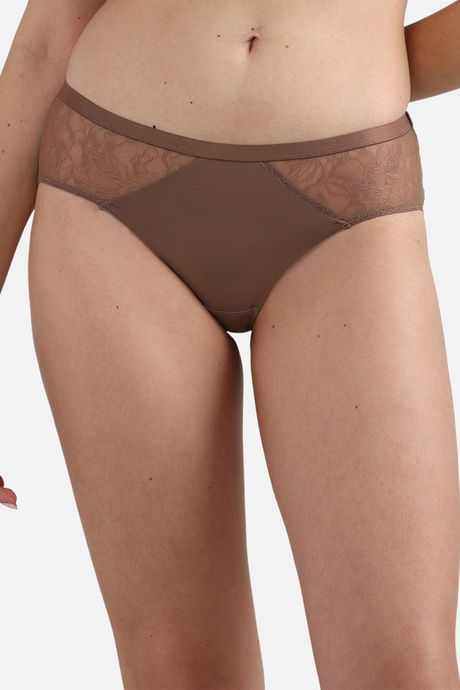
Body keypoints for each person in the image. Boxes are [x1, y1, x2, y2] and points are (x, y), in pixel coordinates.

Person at [1, 0, 460, 687]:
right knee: (181, 672)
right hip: (110, 190)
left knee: (406, 671)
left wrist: (358, 65)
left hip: (348, 195)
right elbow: (47, 37)